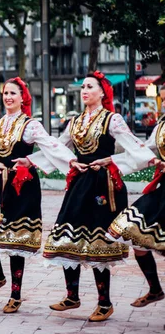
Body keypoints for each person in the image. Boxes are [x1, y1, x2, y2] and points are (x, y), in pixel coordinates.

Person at [43, 71, 155, 322]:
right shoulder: (75, 122)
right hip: (80, 182)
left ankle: (104, 303)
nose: (85, 91)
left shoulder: (112, 120)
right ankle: (72, 295)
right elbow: (56, 147)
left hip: (103, 185)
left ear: (103, 92)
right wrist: (68, 160)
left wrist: (114, 160)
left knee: (98, 242)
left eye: (90, 87)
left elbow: (133, 146)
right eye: (83, 87)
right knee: (66, 234)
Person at [0, 78, 76, 313]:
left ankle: (15, 295)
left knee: (15, 241)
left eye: (13, 93)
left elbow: (51, 146)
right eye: (5, 93)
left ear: (23, 98)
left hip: (22, 185)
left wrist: (69, 161)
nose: (8, 97)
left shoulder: (31, 125)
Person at [108, 114, 165, 307]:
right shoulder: (162, 125)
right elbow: (144, 151)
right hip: (163, 191)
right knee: (133, 233)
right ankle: (155, 289)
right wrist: (111, 161)